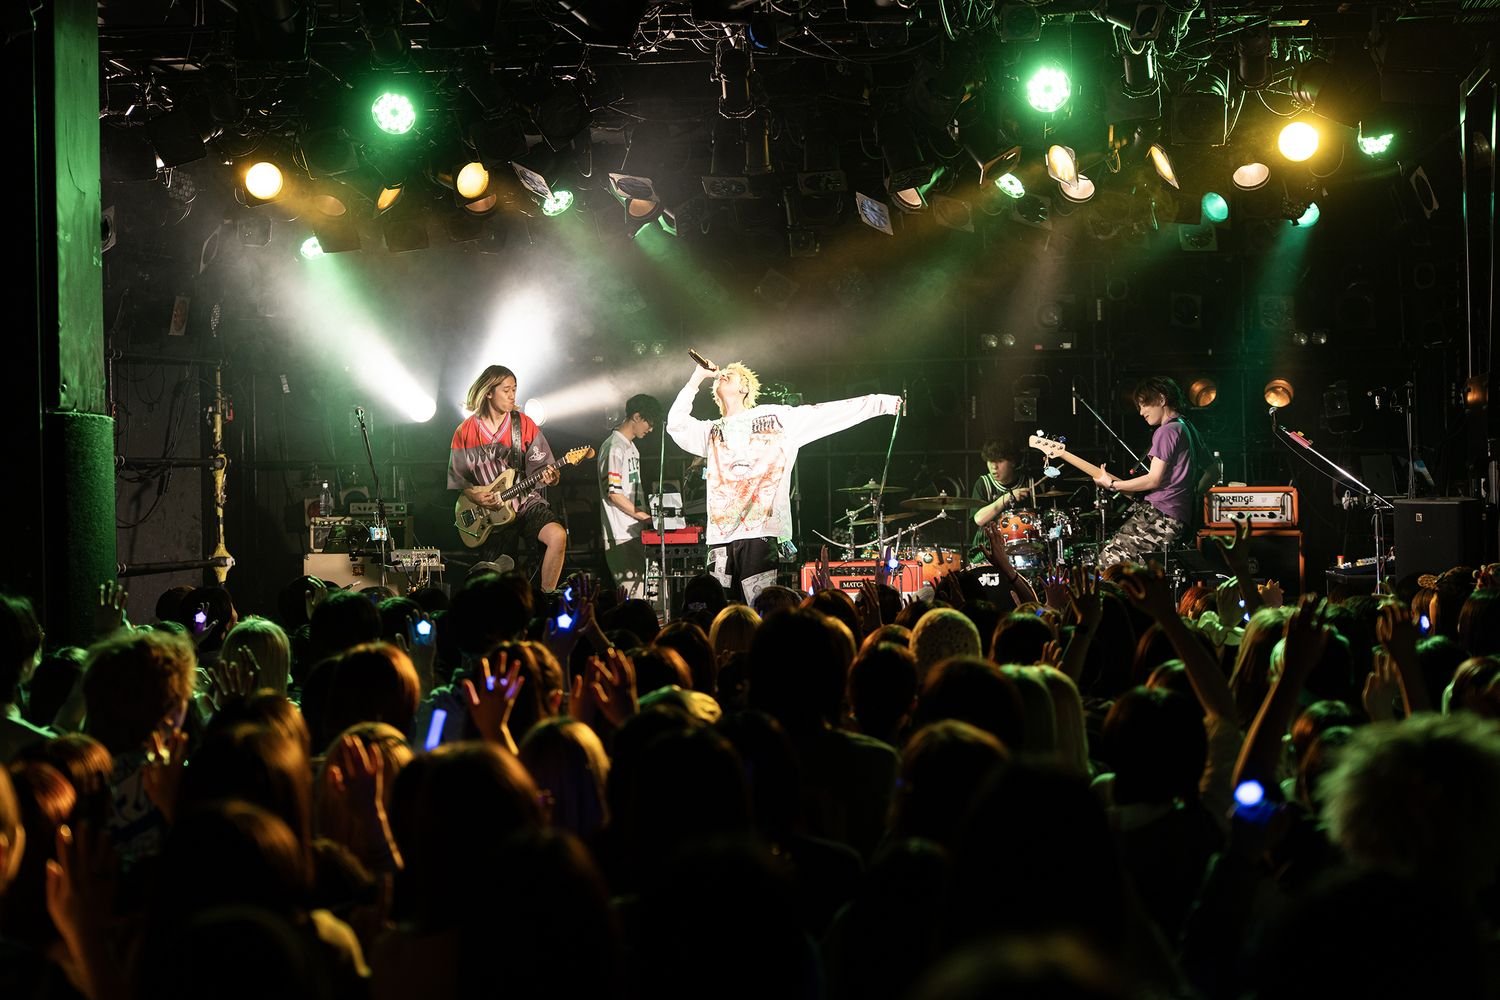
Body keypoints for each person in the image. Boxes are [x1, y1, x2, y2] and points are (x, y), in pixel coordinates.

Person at [668, 359, 901, 606]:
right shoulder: (711, 431)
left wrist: (882, 403)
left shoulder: (776, 418)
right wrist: (697, 378)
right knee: (720, 609)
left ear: (744, 387)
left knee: (759, 606)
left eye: (731, 374)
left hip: (760, 532)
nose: (723, 375)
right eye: (722, 375)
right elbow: (676, 425)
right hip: (720, 535)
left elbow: (827, 413)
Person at [449, 365, 566, 593]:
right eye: (506, 390)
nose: (512, 395)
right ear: (488, 392)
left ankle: (546, 597)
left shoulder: (524, 424)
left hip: (524, 501)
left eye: (514, 389)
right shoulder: (464, 431)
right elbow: (458, 478)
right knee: (493, 577)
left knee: (557, 536)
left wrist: (552, 477)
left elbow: (544, 467)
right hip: (490, 512)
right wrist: (475, 495)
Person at [1093, 376, 1210, 568]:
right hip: (1180, 517)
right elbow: (1213, 470)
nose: (1141, 412)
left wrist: (1113, 485)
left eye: (1144, 405)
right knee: (1142, 572)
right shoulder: (1187, 427)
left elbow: (1153, 480)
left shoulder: (1166, 431)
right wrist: (1191, 494)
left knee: (1108, 563)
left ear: (1162, 399)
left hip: (1161, 515)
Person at [598, 394, 662, 601]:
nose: (650, 429)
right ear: (636, 416)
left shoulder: (631, 447)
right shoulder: (614, 447)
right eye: (649, 422)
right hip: (621, 532)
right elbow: (614, 494)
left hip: (636, 531)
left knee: (653, 596)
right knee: (635, 599)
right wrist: (645, 517)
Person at [968, 442, 1032, 566]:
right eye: (990, 461)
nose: (994, 467)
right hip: (987, 549)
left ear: (1013, 462)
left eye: (1000, 461)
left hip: (1024, 549)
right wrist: (1007, 497)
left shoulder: (1028, 482)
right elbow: (979, 519)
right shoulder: (983, 483)